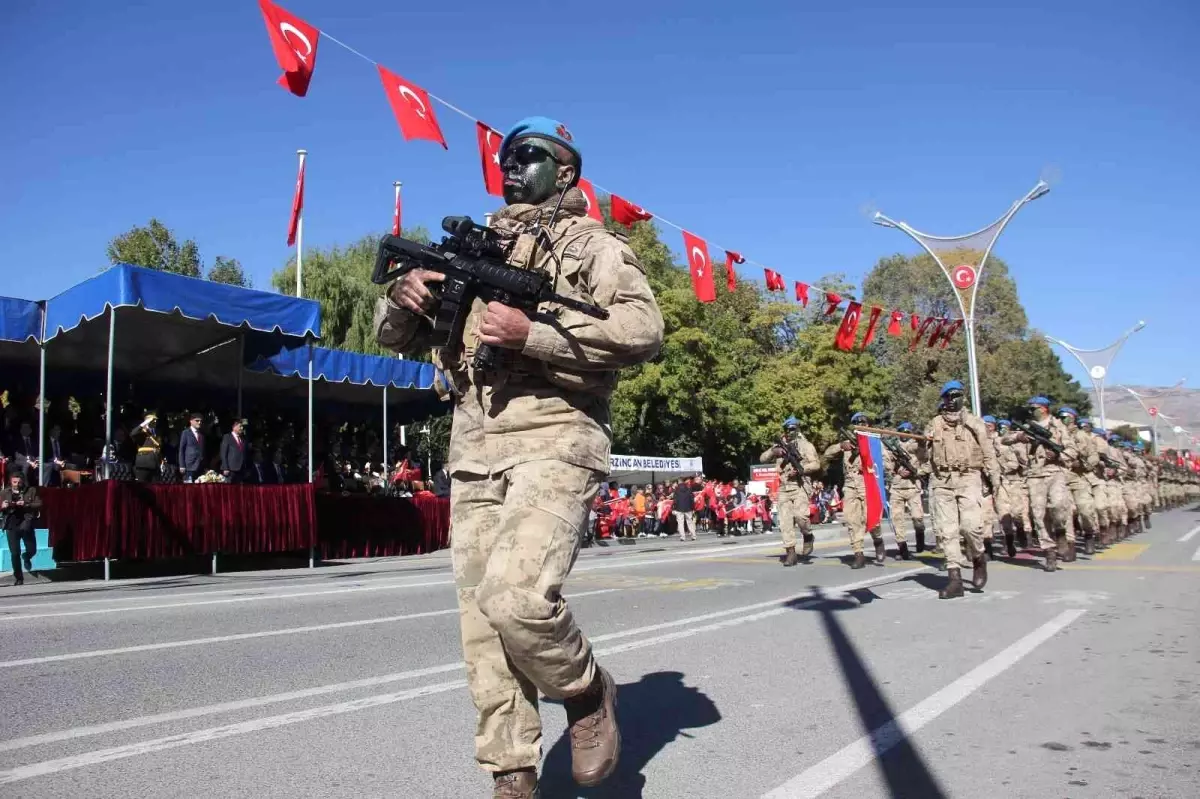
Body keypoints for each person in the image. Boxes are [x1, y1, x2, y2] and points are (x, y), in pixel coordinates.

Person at [374, 116, 663, 797]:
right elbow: (397, 338)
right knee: (481, 623)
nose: (510, 165)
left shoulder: (593, 246)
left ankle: (587, 690)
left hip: (557, 436)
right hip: (475, 444)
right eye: (505, 155)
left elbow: (644, 328)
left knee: (514, 596)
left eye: (528, 155)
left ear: (565, 171)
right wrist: (403, 296)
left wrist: (534, 334)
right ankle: (511, 773)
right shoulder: (477, 240)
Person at [924, 380, 1001, 599]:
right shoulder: (934, 424)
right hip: (942, 480)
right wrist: (923, 445)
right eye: (948, 397)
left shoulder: (975, 423)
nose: (951, 400)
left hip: (969, 477)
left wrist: (995, 480)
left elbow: (988, 453)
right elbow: (925, 455)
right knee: (947, 531)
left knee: (970, 527)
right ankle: (954, 579)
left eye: (955, 395)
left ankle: (978, 557)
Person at [1003, 396, 1073, 573]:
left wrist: (1057, 455)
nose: (1031, 410)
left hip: (1055, 471)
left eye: (1033, 408)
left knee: (1058, 505)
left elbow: (1072, 450)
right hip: (1035, 475)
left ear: (1043, 409)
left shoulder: (1058, 427)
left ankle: (1060, 531)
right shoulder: (1027, 428)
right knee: (1039, 514)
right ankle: (1049, 552)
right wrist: (1020, 436)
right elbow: (1005, 439)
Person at [823, 412, 885, 569]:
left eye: (864, 422)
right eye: (857, 422)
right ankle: (858, 553)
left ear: (868, 425)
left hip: (868, 483)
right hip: (850, 485)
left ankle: (878, 540)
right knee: (852, 520)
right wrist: (840, 446)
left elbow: (884, 462)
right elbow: (827, 454)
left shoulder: (874, 442)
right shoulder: (847, 443)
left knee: (871, 519)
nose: (861, 425)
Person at [760, 416, 821, 566]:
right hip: (784, 487)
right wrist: (774, 451)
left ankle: (807, 535)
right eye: (788, 429)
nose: (790, 431)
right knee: (785, 522)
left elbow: (816, 464)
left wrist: (801, 470)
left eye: (793, 428)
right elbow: (762, 458)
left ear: (798, 429)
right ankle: (791, 553)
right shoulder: (779, 445)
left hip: (800, 485)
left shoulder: (806, 445)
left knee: (801, 516)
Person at [1057, 407, 1100, 556]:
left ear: (1073, 418)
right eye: (1060, 417)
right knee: (1066, 513)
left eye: (1065, 417)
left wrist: (1084, 465)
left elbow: (1094, 456)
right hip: (1061, 477)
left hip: (1079, 477)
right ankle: (1070, 546)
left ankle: (1089, 534)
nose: (1062, 419)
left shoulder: (1082, 436)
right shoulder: (1056, 433)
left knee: (1086, 510)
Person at [886, 421, 929, 559]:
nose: (904, 434)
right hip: (897, 487)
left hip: (913, 487)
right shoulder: (891, 447)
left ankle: (920, 539)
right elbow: (886, 464)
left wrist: (916, 471)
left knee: (917, 517)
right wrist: (896, 471)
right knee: (897, 518)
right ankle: (902, 548)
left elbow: (927, 461)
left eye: (907, 432)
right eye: (901, 431)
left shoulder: (916, 446)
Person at [2, 471, 42, 586]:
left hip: (26, 523)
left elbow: (39, 504)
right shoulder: (5, 492)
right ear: (11, 481)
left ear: (23, 482)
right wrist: (3, 506)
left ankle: (27, 556)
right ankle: (19, 578)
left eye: (19, 482)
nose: (17, 484)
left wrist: (26, 504)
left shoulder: (31, 490)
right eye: (14, 482)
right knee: (14, 553)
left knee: (32, 549)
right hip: (11, 524)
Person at [132, 413, 163, 484]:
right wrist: (145, 423)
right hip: (144, 464)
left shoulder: (157, 433)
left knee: (156, 487)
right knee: (142, 487)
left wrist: (161, 462)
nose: (155, 422)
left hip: (155, 464)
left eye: (155, 420)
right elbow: (132, 433)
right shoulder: (141, 432)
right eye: (153, 420)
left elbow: (158, 449)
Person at [178, 412, 206, 482]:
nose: (199, 422)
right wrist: (182, 465)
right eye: (197, 420)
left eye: (200, 421)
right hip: (189, 466)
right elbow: (181, 449)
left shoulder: (201, 434)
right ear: (191, 421)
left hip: (200, 466)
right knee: (188, 488)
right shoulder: (186, 433)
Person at [220, 419, 249, 484]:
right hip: (231, 469)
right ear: (234, 427)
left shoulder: (243, 438)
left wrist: (246, 468)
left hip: (241, 469)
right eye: (240, 426)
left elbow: (245, 453)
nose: (242, 428)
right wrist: (225, 467)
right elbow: (223, 453)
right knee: (229, 488)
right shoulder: (227, 437)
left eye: (242, 426)